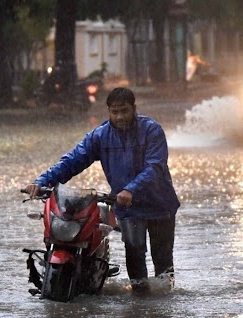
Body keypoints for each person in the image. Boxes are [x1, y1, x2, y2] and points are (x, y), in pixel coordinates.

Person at [25, 87, 180, 296]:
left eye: (124, 111)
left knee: (162, 264)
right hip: (127, 208)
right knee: (135, 260)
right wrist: (42, 181)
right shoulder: (100, 136)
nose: (120, 117)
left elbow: (155, 166)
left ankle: (164, 308)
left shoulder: (152, 131)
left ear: (134, 109)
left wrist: (130, 189)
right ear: (108, 111)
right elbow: (72, 161)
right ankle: (140, 305)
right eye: (114, 112)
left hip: (159, 205)